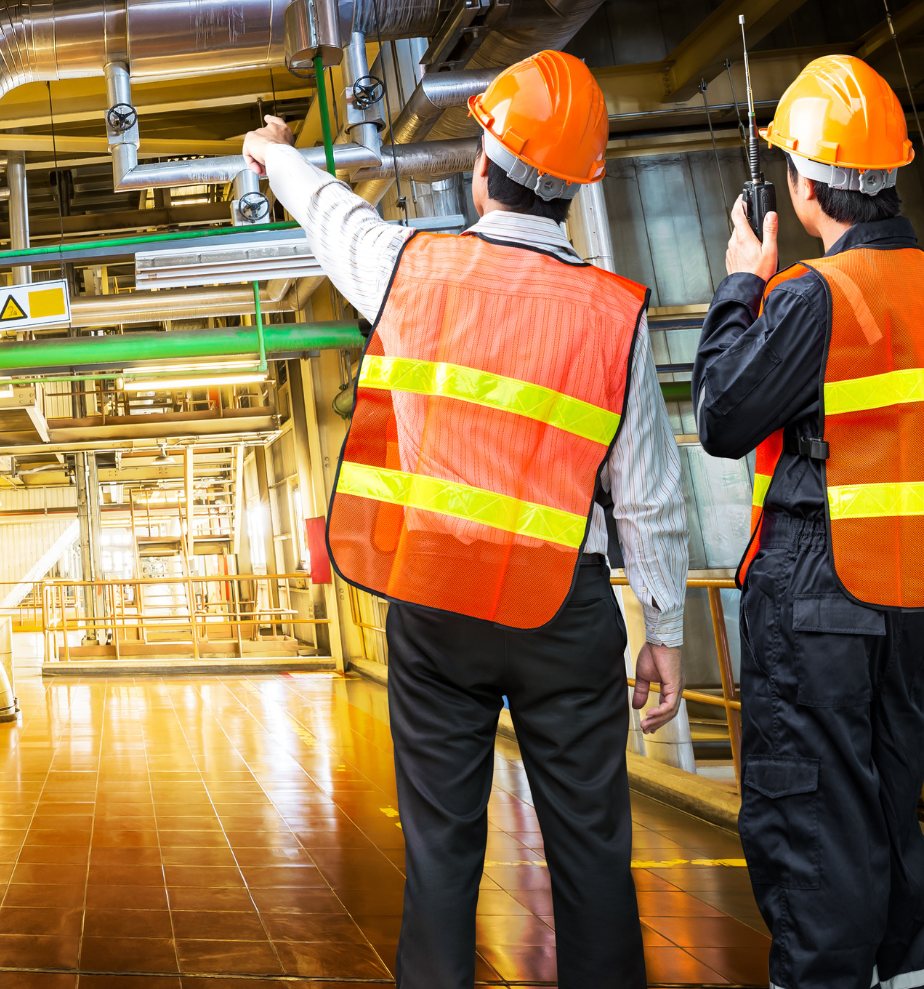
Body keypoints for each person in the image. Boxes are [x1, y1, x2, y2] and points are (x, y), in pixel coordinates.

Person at [242, 49, 689, 989]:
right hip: (566, 611)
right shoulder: (614, 314)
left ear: (484, 169)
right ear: (574, 189)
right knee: (595, 856)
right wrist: (667, 630)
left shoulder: (415, 268)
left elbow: (334, 217)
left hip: (438, 604)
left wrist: (276, 152)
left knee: (444, 857)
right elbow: (647, 488)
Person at [691, 54, 924, 989]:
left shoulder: (816, 296)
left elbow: (721, 416)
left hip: (818, 590)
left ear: (802, 184)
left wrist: (745, 282)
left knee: (814, 826)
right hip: (914, 597)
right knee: (886, 813)